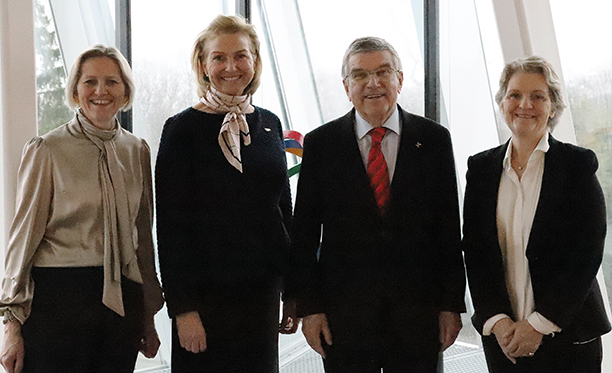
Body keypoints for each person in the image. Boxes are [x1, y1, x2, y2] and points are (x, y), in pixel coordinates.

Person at [285, 36, 466, 372]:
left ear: (399, 78)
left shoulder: (435, 140)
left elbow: (447, 230)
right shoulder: (321, 145)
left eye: (383, 72)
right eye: (359, 75)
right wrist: (310, 309)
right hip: (344, 319)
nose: (373, 83)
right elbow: (305, 234)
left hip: (419, 316)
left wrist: (450, 305)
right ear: (345, 85)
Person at [0, 45, 164, 373]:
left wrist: (147, 316)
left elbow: (143, 237)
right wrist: (11, 325)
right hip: (58, 301)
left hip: (123, 306)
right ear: (75, 90)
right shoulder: (46, 149)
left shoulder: (137, 150)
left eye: (111, 82)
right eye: (90, 82)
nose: (100, 91)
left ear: (125, 90)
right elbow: (23, 239)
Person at [155, 14, 296, 373]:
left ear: (255, 62)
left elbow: (283, 209)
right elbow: (171, 228)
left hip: (261, 295)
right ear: (203, 65)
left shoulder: (269, 124)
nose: (230, 66)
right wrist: (183, 311)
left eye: (241, 56)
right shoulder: (181, 129)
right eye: (219, 57)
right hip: (203, 299)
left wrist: (293, 291)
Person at [462, 56, 611, 372]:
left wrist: (540, 323)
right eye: (514, 94)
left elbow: (587, 254)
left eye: (538, 96)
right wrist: (498, 322)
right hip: (504, 342)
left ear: (553, 107)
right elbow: (475, 254)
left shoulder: (577, 167)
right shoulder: (481, 169)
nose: (524, 104)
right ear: (503, 102)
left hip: (568, 337)